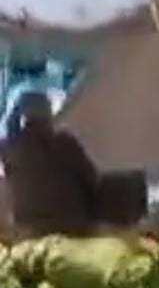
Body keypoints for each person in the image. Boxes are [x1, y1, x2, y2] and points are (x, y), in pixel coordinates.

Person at [3, 91, 98, 237]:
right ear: (49, 115)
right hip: (72, 227)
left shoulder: (10, 147)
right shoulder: (65, 143)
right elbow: (92, 179)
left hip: (28, 229)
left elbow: (10, 133)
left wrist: (13, 118)